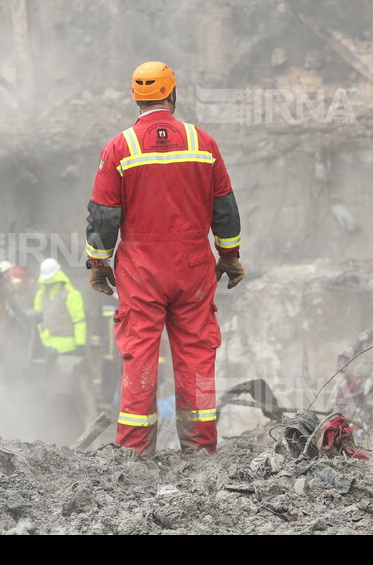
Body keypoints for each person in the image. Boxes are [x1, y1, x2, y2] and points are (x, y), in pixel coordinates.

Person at [84, 61, 245, 457]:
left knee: (139, 357)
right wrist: (229, 256)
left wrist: (98, 264)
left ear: (136, 98)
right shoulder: (202, 142)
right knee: (196, 357)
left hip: (140, 271)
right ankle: (201, 452)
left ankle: (136, 455)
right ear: (173, 94)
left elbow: (103, 216)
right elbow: (225, 209)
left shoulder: (120, 146)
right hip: (193, 268)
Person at [33, 258, 87, 354]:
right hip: (44, 347)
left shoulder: (71, 294)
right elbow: (37, 321)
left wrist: (80, 343)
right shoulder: (40, 295)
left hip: (66, 348)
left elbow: (79, 320)